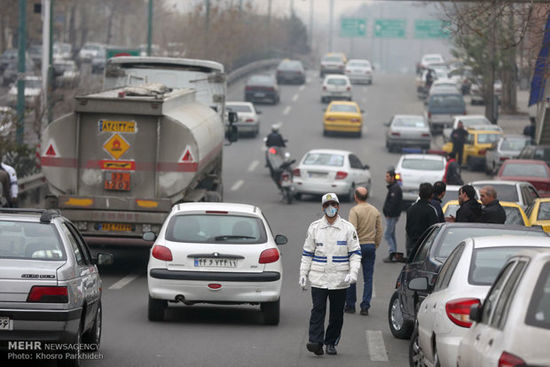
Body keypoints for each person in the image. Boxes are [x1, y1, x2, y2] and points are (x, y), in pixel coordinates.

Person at [300, 193, 361, 356]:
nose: (330, 208)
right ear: (322, 208)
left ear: (338, 206)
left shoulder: (348, 228)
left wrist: (353, 273)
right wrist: (303, 274)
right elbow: (307, 253)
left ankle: (331, 342)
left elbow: (355, 254)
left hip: (340, 279)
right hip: (319, 278)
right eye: (327, 205)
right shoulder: (314, 228)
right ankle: (315, 342)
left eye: (333, 204)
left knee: (336, 314)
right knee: (317, 310)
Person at [344, 187, 382, 316]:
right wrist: (375, 243)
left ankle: (350, 305)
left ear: (356, 196)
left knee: (352, 275)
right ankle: (365, 306)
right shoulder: (375, 211)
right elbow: (379, 230)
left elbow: (352, 230)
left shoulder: (354, 211)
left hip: (356, 247)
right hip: (370, 246)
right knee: (368, 277)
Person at [405, 183, 438, 257]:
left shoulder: (411, 209)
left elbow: (408, 228)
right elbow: (435, 229)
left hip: (412, 243)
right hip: (426, 245)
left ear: (419, 194)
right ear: (431, 195)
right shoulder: (431, 210)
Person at [382, 169, 403, 263]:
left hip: (391, 216)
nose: (386, 178)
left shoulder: (395, 188)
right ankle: (394, 254)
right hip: (391, 215)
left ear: (392, 177)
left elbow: (394, 203)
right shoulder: (393, 187)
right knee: (392, 234)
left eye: (387, 176)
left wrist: (388, 214)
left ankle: (392, 254)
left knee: (387, 235)